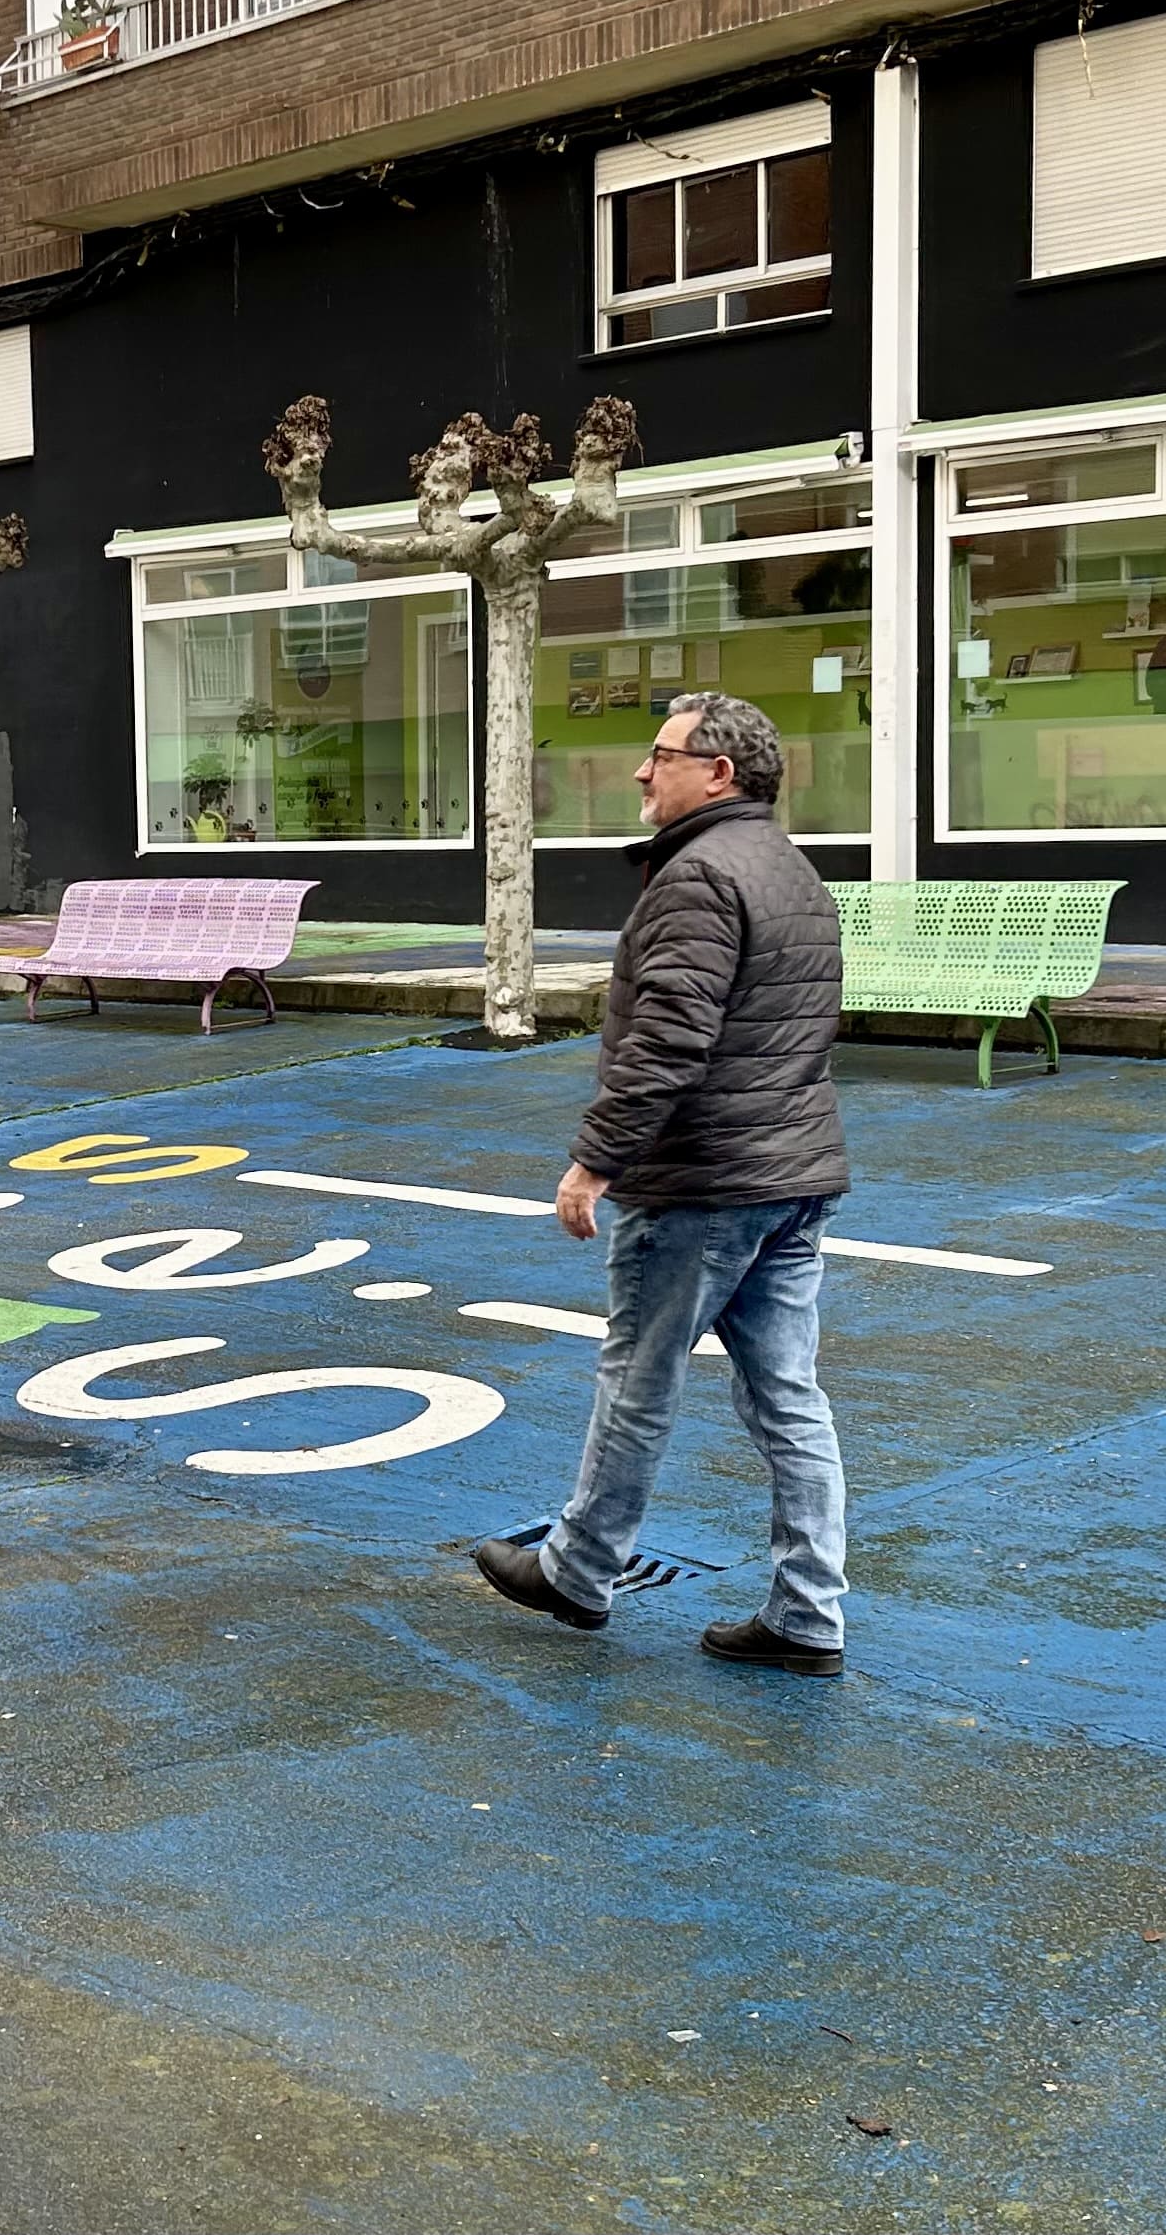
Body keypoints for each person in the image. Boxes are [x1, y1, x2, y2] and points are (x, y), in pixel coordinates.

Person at [472, 690, 853, 1676]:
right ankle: (809, 1613)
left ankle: (578, 1570)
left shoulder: (697, 878)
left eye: (660, 755)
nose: (642, 772)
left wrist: (596, 1159)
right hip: (790, 1173)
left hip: (702, 1182)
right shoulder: (793, 873)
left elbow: (667, 1042)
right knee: (788, 1400)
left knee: (637, 1381)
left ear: (716, 772)